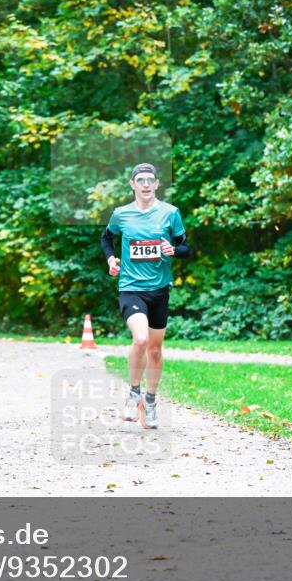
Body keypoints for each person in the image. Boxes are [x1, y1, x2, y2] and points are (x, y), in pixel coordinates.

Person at [100, 162, 190, 429]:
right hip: (130, 287)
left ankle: (150, 400)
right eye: (141, 180)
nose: (146, 184)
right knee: (140, 340)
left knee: (155, 349)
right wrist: (111, 259)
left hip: (159, 290)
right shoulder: (121, 214)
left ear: (157, 184)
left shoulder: (170, 213)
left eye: (150, 180)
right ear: (133, 184)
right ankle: (133, 393)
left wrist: (173, 250)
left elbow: (185, 246)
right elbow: (106, 239)